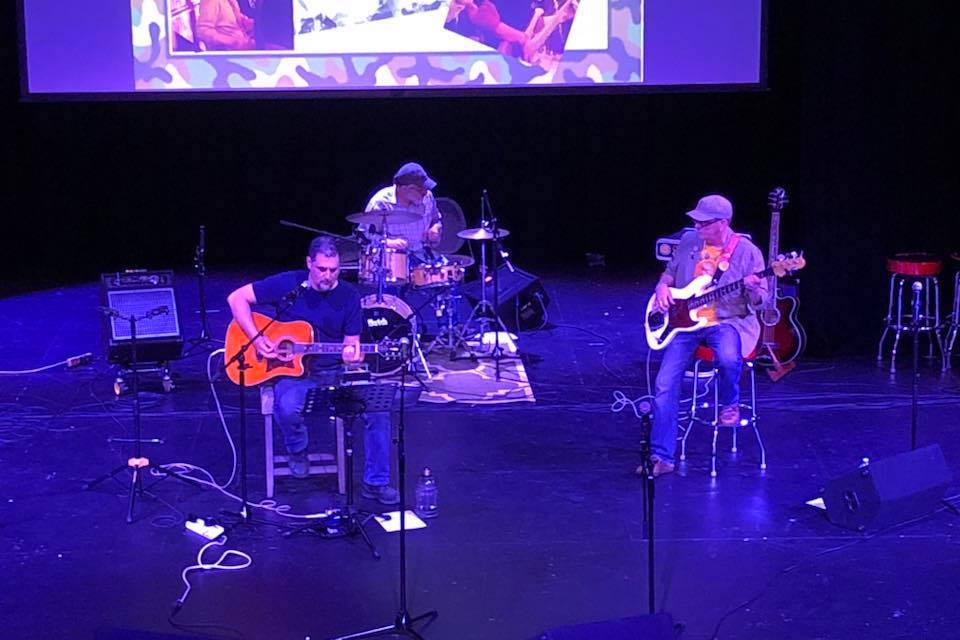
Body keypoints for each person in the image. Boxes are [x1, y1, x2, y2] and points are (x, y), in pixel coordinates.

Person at [226, 236, 399, 505]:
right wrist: (258, 340)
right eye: (322, 269)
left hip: (334, 374)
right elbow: (236, 299)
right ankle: (298, 449)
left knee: (378, 410)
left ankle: (375, 483)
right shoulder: (288, 284)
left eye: (334, 270)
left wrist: (353, 355)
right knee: (286, 406)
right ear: (309, 263)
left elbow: (352, 346)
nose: (328, 276)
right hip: (294, 374)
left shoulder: (350, 296)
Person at [645, 195, 768, 478]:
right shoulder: (689, 242)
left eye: (704, 222)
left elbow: (762, 301)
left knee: (727, 357)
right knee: (664, 383)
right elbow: (669, 275)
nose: (696, 225)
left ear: (723, 223)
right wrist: (661, 289)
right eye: (696, 220)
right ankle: (662, 457)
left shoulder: (748, 252)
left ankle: (729, 402)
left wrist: (752, 288)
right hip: (686, 324)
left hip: (727, 321)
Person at [359, 162, 444, 266]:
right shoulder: (381, 203)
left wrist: (435, 228)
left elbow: (436, 220)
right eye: (420, 189)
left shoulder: (428, 197)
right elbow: (363, 236)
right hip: (393, 259)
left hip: (422, 254)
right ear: (402, 188)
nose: (425, 193)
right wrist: (387, 242)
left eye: (426, 188)